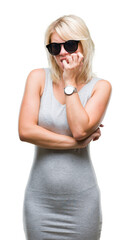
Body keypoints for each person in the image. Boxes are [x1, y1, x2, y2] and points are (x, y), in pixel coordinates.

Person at [18, 14, 112, 240]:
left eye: (69, 45)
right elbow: (25, 131)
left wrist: (70, 83)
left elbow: (80, 129)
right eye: (55, 47)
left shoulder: (100, 87)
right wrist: (76, 143)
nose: (62, 53)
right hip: (40, 202)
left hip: (82, 203)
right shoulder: (38, 78)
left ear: (84, 45)